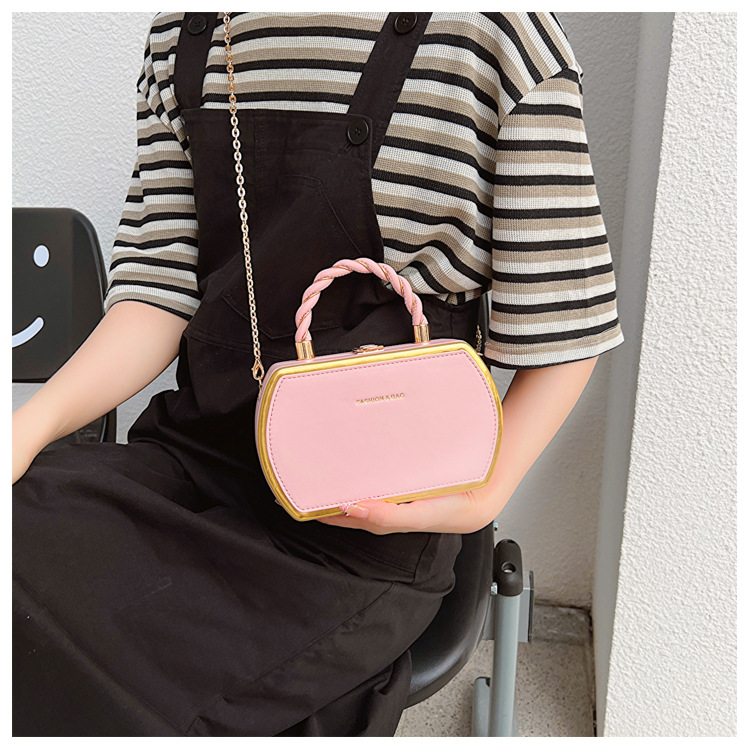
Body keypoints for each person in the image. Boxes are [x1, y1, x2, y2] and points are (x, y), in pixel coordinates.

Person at [12, 12, 625, 736]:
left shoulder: (496, 38)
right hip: (191, 463)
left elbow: (564, 330)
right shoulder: (185, 31)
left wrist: (477, 501)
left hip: (362, 525)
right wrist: (26, 430)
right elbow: (158, 290)